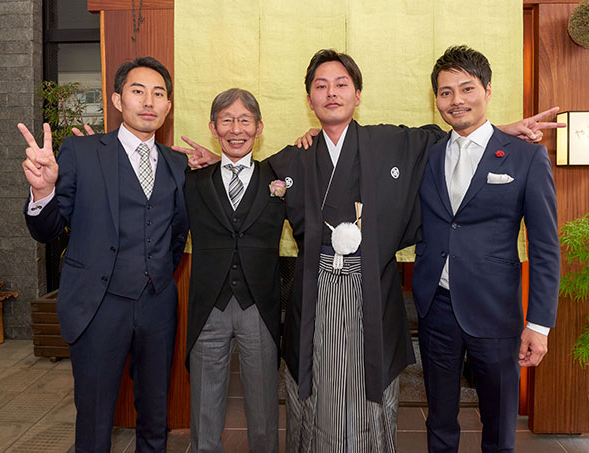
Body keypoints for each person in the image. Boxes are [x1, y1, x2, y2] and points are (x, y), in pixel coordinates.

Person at [178, 49, 560, 451]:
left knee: (368, 387)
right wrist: (215, 160)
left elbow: (459, 135)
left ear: (357, 94)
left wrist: (507, 129)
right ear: (309, 99)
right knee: (319, 383)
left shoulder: (391, 141)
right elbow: (250, 176)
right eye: (320, 86)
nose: (331, 93)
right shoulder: (295, 157)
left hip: (371, 289)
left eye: (341, 84)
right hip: (317, 292)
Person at [18, 56, 189, 452]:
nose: (149, 101)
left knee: (155, 417)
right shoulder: (81, 151)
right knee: (94, 420)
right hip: (98, 306)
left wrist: (157, 274)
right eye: (137, 91)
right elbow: (47, 231)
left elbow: (177, 234)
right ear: (116, 100)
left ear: (167, 106)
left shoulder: (177, 164)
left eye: (158, 93)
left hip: (157, 306)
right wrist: (42, 192)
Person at [412, 45, 560, 452]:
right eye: (445, 92)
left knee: (497, 425)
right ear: (436, 100)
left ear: (488, 90)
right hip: (435, 307)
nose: (456, 100)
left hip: (495, 312)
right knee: (439, 419)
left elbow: (546, 247)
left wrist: (539, 324)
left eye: (466, 88)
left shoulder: (526, 158)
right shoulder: (428, 153)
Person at [184, 89, 284, 452]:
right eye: (227, 119)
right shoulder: (193, 180)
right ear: (213, 127)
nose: (236, 128)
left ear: (259, 128)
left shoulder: (279, 179)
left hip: (259, 306)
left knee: (263, 412)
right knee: (204, 412)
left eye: (244, 120)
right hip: (208, 306)